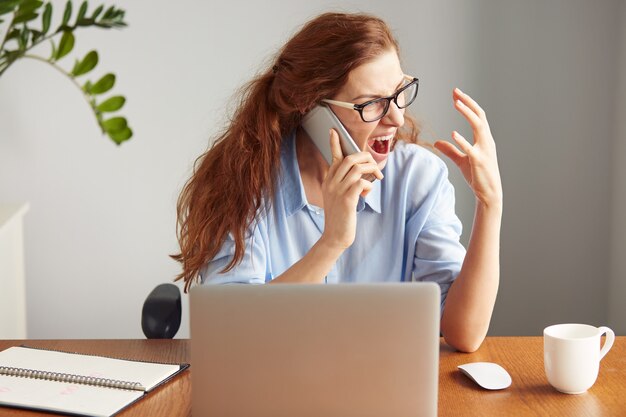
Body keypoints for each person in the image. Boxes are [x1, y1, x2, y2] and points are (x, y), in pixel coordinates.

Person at [173, 12, 502, 353]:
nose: (397, 118)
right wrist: (332, 242)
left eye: (399, 92)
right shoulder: (247, 181)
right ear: (312, 110)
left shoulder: (418, 178)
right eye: (372, 104)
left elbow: (464, 334)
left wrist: (490, 204)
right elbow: (231, 336)